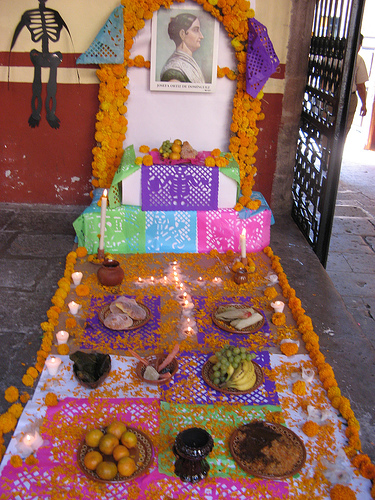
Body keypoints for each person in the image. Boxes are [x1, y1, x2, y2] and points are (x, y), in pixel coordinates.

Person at [160, 13, 205, 84]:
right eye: (195, 30)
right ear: (182, 34)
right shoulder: (174, 73)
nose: (201, 36)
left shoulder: (190, 62)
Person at [345, 34, 369, 137]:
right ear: (358, 45)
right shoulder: (358, 60)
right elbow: (360, 86)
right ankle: (335, 152)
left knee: (327, 125)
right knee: (344, 129)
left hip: (330, 96)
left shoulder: (333, 56)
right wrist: (364, 104)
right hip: (349, 98)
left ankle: (324, 150)